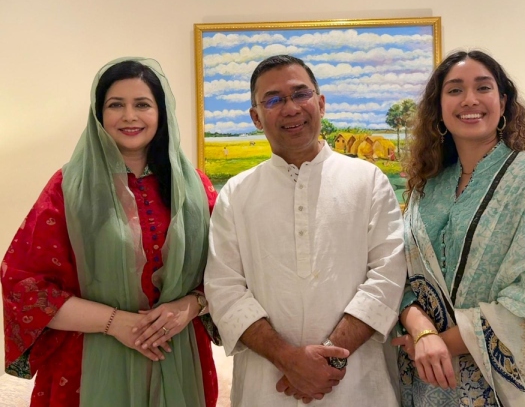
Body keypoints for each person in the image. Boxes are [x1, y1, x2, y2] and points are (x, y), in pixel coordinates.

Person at [1, 58, 219, 407]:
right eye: (116, 105)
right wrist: (116, 323)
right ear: (99, 114)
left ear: (161, 113)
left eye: (142, 104)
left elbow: (229, 270)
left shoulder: (194, 187)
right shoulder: (69, 187)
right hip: (88, 362)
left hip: (179, 354)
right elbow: (24, 284)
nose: (129, 116)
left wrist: (190, 306)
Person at [393, 50, 525, 406]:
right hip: (429, 378)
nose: (469, 99)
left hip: (501, 386)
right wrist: (422, 331)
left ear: (502, 102)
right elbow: (400, 276)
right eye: (455, 90)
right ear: (438, 108)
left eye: (483, 87)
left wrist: (439, 342)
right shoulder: (427, 187)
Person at [204, 55, 406, 406]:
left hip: (358, 386)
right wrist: (288, 360)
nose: (291, 108)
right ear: (256, 117)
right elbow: (224, 289)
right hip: (266, 388)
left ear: (321, 103)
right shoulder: (236, 194)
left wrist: (328, 360)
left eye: (300, 94)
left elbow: (388, 277)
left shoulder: (368, 181)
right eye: (273, 100)